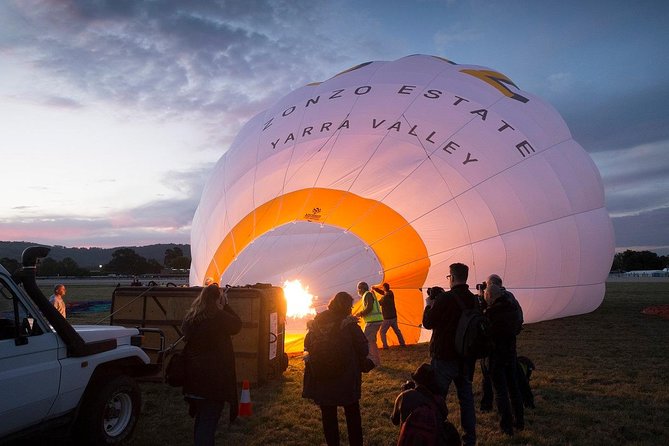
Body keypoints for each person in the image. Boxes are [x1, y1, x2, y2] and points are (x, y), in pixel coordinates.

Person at [303, 291, 369, 446]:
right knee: (352, 413)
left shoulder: (316, 323)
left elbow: (307, 344)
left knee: (328, 414)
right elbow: (363, 349)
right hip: (346, 377)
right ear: (347, 306)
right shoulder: (349, 324)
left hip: (323, 376)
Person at [422, 263, 477, 446]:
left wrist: (429, 305)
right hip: (466, 358)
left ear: (451, 277)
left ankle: (435, 436)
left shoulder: (445, 299)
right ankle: (470, 439)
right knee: (466, 400)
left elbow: (428, 323)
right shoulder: (474, 300)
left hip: (444, 357)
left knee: (437, 399)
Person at [181, 284, 242, 446]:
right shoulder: (219, 317)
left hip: (193, 378)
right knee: (208, 422)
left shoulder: (191, 318)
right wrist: (226, 305)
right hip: (212, 382)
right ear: (217, 300)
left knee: (201, 420)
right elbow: (237, 325)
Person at [483, 283, 524, 436]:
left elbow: (486, 333)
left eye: (486, 295)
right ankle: (519, 421)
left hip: (496, 356)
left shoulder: (492, 313)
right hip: (511, 353)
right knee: (514, 388)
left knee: (500, 392)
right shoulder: (512, 308)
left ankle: (506, 427)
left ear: (491, 296)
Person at [478, 274, 523, 412]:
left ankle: (503, 421)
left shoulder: (493, 310)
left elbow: (485, 325)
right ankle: (519, 418)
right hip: (510, 349)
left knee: (499, 388)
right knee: (513, 385)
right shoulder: (511, 300)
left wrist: (482, 300)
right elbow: (519, 321)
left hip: (495, 352)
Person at [354, 281, 383, 366]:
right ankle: (376, 362)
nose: (358, 291)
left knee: (366, 341)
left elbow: (369, 307)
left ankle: (373, 362)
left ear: (361, 289)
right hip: (375, 321)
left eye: (358, 289)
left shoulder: (367, 295)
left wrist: (361, 313)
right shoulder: (368, 294)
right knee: (372, 341)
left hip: (372, 322)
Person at [372, 282, 406, 349]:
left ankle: (385, 346)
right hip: (394, 316)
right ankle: (402, 343)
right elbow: (383, 292)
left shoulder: (385, 298)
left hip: (387, 318)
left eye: (383, 287)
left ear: (384, 288)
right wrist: (376, 289)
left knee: (382, 332)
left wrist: (373, 295)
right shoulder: (391, 293)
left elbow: (378, 303)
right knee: (397, 331)